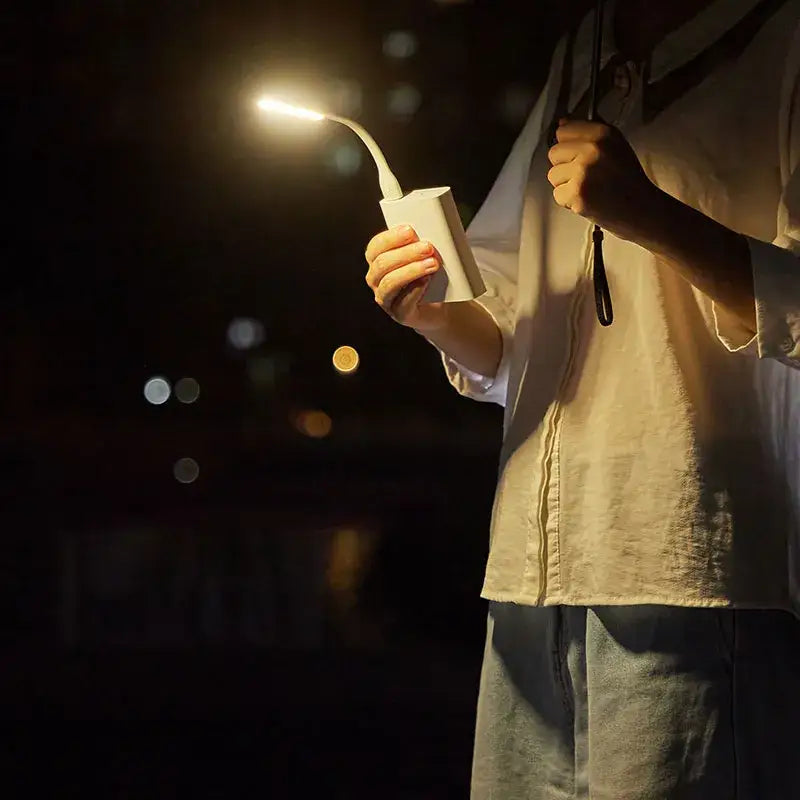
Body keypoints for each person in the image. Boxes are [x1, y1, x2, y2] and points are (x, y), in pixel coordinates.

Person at [364, 0, 800, 797]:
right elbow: (510, 339)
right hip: (530, 580)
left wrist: (649, 214)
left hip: (699, 575)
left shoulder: (782, 40)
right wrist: (432, 312)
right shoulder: (584, 53)